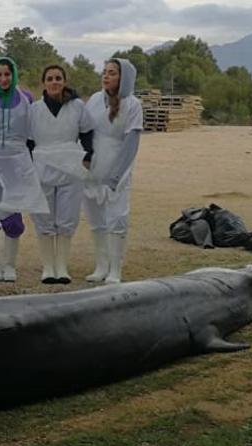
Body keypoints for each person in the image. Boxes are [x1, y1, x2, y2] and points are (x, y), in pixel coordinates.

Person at [0, 56, 48, 282]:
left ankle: (9, 264)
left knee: (13, 214)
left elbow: (35, 131)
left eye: (7, 74)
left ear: (14, 74)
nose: (3, 78)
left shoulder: (26, 98)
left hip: (16, 161)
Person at [29, 65, 94, 284]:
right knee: (43, 216)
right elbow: (28, 141)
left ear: (64, 81)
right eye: (50, 78)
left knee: (67, 216)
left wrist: (88, 157)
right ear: (43, 83)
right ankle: (48, 267)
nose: (54, 82)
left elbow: (86, 133)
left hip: (71, 166)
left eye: (58, 78)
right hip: (42, 165)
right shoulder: (34, 109)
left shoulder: (77, 106)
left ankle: (62, 266)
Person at [83, 58, 142, 284]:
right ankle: (101, 265)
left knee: (116, 218)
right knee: (96, 218)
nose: (106, 76)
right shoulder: (95, 100)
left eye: (112, 73)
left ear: (123, 78)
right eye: (104, 71)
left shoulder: (132, 104)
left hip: (117, 168)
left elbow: (131, 142)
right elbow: (85, 130)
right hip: (93, 168)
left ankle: (115, 269)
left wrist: (116, 176)